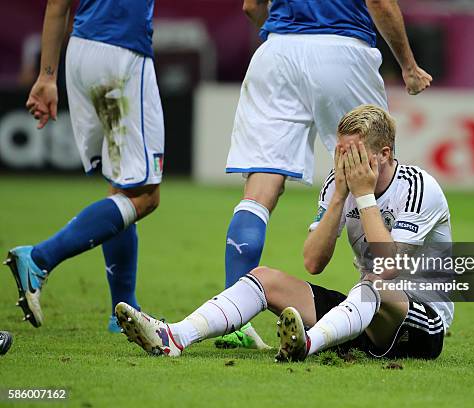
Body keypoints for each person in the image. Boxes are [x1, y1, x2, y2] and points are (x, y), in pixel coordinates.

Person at [115, 105, 453, 361]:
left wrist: (363, 195)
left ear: (384, 154)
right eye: (341, 153)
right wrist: (338, 196)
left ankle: (308, 343)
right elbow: (313, 261)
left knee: (374, 283)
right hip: (361, 314)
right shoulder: (338, 186)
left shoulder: (418, 188)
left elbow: (388, 268)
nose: (347, 164)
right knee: (264, 278)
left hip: (420, 321)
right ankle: (174, 336)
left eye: (355, 155)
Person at [217, 0, 433, 349]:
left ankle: (233, 320)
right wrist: (407, 64)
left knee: (257, 193)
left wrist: (279, 37)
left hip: (278, 50)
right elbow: (379, 3)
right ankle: (393, 301)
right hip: (343, 49)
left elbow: (251, 6)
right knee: (375, 166)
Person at [5, 0, 164, 331]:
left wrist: (47, 75)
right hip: (122, 54)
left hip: (79, 53)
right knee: (146, 195)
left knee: (121, 187)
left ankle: (122, 313)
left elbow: (57, 4)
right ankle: (38, 258)